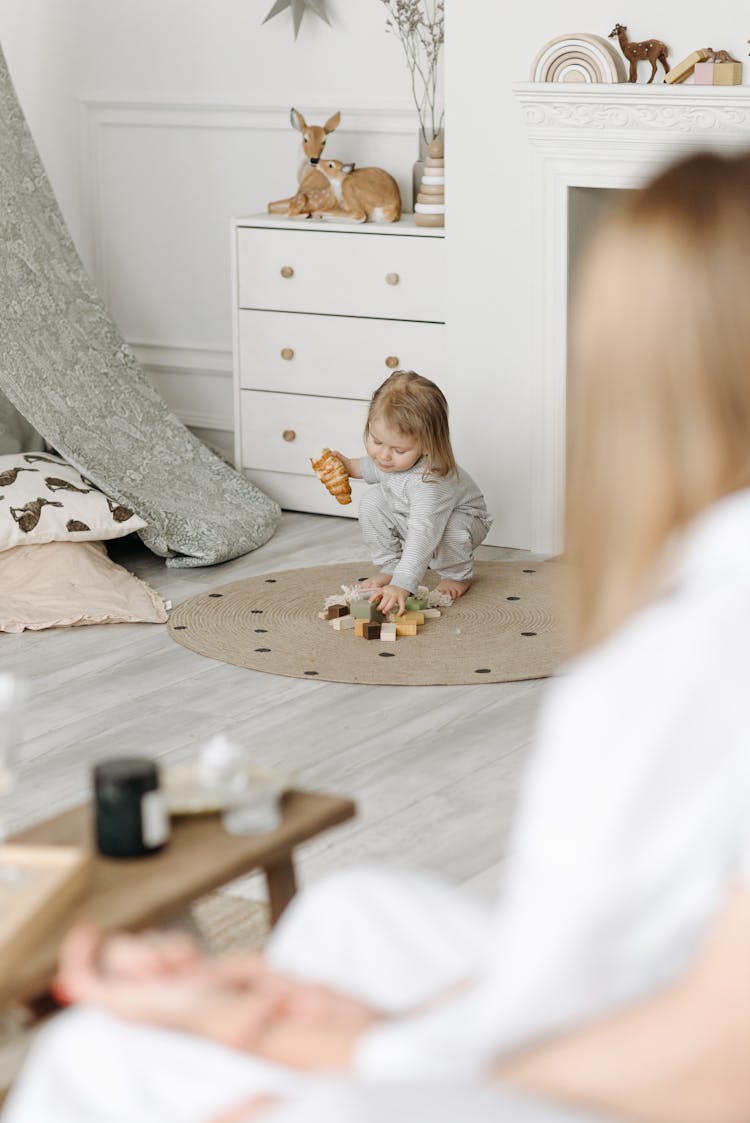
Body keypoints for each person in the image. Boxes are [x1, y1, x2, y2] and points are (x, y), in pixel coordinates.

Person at [7, 148, 750, 1123]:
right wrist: (329, 1014)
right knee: (349, 915)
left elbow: (709, 1060)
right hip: (601, 998)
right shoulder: (698, 589)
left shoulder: (696, 646)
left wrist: (306, 1045)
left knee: (98, 1059)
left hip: (625, 1068)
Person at [331, 370, 492, 615]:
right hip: (413, 515)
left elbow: (423, 532)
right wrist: (345, 466)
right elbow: (366, 468)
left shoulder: (430, 483)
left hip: (459, 520)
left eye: (398, 449)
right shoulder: (389, 460)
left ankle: (457, 575)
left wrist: (403, 584)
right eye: (376, 441)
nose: (384, 456)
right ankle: (390, 565)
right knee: (372, 501)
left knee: (450, 530)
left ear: (427, 445)